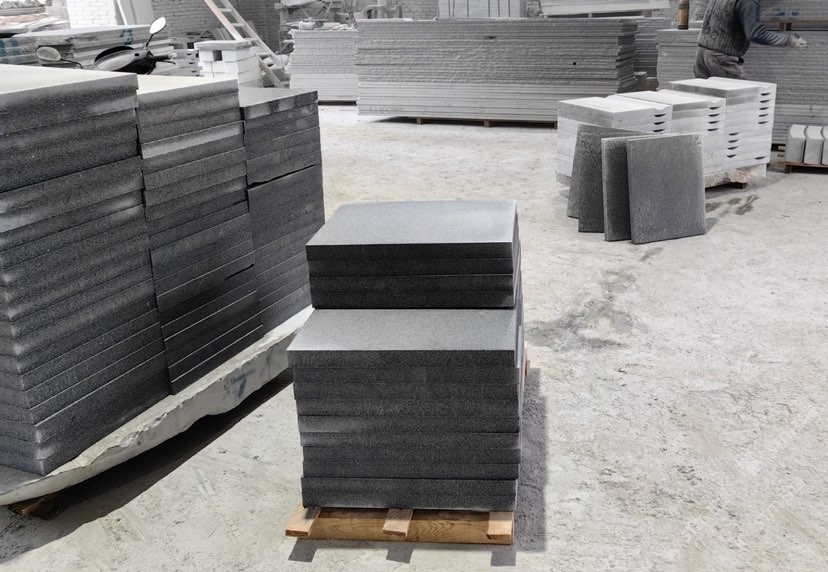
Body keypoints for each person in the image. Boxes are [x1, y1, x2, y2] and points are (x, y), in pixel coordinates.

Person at [695, 0, 808, 80]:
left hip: (702, 52)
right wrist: (789, 40)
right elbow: (755, 33)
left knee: (706, 99)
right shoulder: (748, 1)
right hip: (721, 58)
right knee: (740, 99)